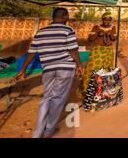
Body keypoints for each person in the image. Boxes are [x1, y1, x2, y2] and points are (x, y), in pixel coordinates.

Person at [14, 8, 83, 138]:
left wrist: (23, 69)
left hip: (48, 69)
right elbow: (73, 50)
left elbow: (31, 52)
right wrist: (79, 65)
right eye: (68, 15)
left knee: (46, 98)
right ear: (64, 16)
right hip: (64, 68)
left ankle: (37, 132)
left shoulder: (41, 32)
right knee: (58, 99)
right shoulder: (68, 30)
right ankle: (49, 131)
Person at [79, 12, 116, 97]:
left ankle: (104, 90)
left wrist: (110, 35)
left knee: (107, 70)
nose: (107, 20)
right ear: (102, 19)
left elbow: (114, 39)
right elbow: (90, 39)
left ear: (111, 19)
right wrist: (97, 34)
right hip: (98, 51)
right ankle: (87, 90)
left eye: (109, 18)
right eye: (105, 18)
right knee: (93, 69)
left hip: (108, 52)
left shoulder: (113, 27)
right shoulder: (96, 27)